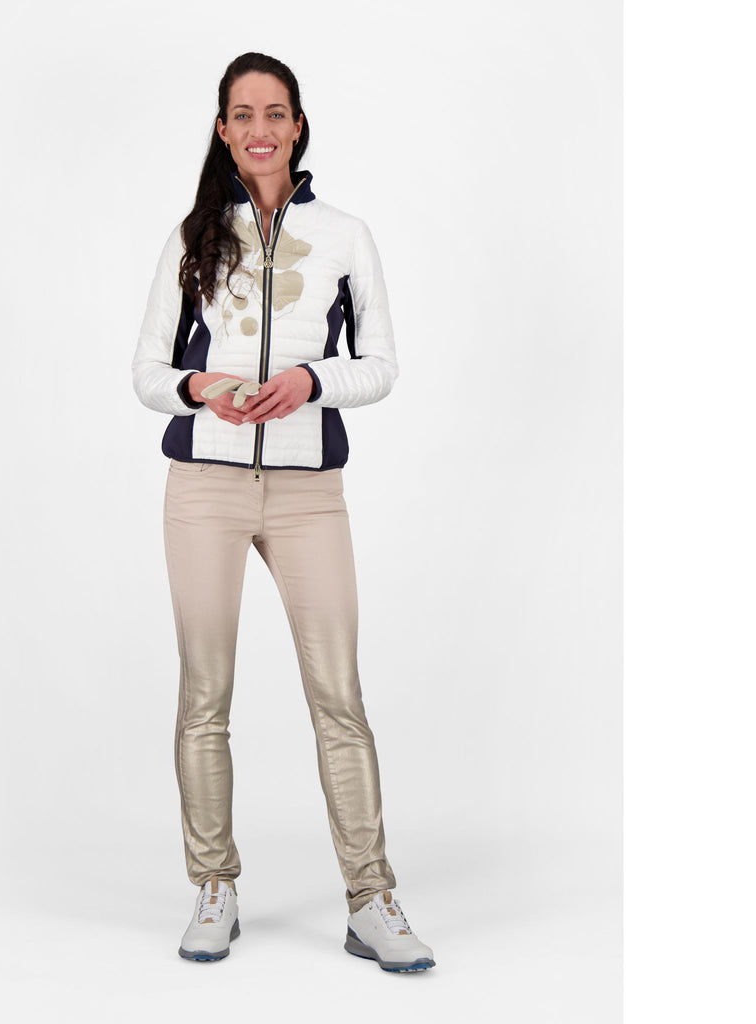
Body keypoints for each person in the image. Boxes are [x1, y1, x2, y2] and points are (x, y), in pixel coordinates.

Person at [131, 51, 435, 973]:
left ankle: (371, 898)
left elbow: (381, 366)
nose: (259, 129)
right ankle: (213, 886)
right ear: (223, 131)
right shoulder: (193, 238)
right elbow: (147, 372)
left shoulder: (345, 236)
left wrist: (309, 381)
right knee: (205, 694)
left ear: (297, 125)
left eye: (275, 113)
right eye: (242, 114)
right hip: (205, 486)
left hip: (308, 494)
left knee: (338, 695)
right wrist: (199, 388)